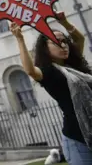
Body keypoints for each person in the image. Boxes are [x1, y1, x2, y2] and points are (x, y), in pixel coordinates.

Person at [10, 13, 92, 164]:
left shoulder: (74, 66)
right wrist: (20, 38)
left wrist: (64, 22)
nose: (63, 45)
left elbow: (80, 39)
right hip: (78, 139)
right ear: (45, 49)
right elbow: (30, 70)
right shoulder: (49, 72)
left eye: (64, 41)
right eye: (56, 42)